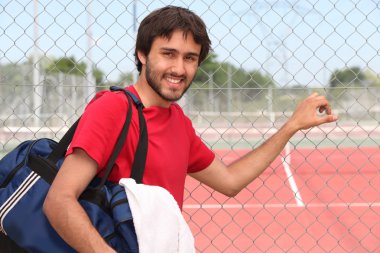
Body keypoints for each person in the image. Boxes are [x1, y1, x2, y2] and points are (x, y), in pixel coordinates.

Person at [43, 5, 338, 253]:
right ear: (143, 54)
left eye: (190, 58)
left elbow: (230, 181)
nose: (179, 69)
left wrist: (292, 126)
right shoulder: (113, 108)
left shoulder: (178, 123)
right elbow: (59, 202)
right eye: (168, 54)